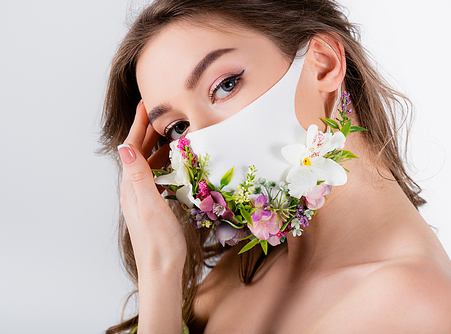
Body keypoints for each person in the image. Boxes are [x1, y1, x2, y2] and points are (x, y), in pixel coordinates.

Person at [99, 0, 451, 333]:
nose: (203, 139)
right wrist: (159, 267)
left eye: (225, 85)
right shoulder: (240, 269)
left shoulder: (414, 303)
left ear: (323, 64)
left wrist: (160, 272)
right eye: (178, 128)